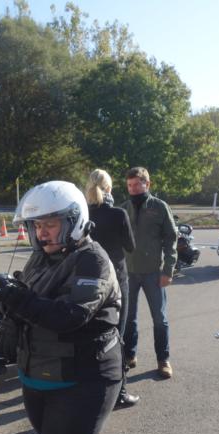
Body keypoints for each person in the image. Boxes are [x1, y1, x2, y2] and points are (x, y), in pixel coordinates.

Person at [0, 180, 122, 434]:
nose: (42, 232)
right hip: (40, 376)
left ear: (74, 221)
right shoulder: (41, 257)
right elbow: (25, 302)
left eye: (51, 224)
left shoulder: (92, 260)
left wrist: (15, 297)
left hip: (83, 380)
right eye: (37, 225)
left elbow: (70, 316)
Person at [85, 169, 140, 409]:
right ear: (109, 188)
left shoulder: (82, 213)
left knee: (90, 334)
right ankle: (120, 392)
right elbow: (131, 246)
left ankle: (87, 386)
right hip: (116, 280)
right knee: (117, 335)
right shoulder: (118, 214)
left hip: (88, 280)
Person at [121, 167, 177, 379]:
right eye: (129, 185)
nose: (133, 189)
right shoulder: (123, 208)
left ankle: (163, 359)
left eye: (137, 184)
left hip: (154, 273)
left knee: (160, 319)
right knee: (128, 318)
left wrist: (168, 270)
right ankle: (129, 355)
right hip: (129, 273)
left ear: (147, 184)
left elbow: (171, 239)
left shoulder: (159, 207)